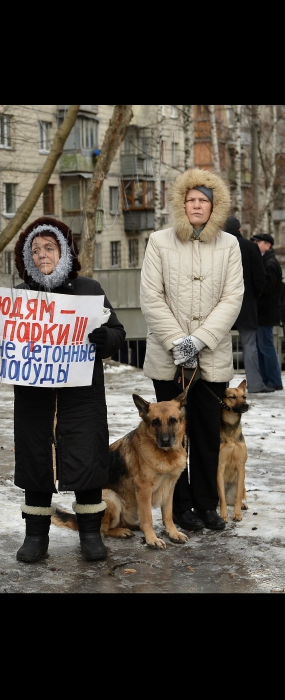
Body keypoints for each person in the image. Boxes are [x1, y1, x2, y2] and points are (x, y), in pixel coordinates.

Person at [0, 216, 126, 563]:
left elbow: (118, 333)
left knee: (86, 458)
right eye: (36, 249)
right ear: (28, 258)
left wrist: (105, 338)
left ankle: (90, 533)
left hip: (81, 397)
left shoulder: (89, 290)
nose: (43, 255)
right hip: (34, 399)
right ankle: (35, 536)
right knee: (36, 462)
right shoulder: (20, 297)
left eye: (50, 248)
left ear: (64, 252)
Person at [141, 168, 243, 533]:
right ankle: (179, 506)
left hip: (211, 357)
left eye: (203, 200)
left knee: (205, 432)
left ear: (214, 207)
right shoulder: (159, 241)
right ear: (181, 204)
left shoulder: (229, 245)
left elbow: (233, 298)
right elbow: (151, 297)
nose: (196, 205)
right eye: (191, 200)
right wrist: (177, 342)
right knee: (168, 435)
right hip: (168, 359)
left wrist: (198, 341)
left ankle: (206, 504)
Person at [223, 216, 269, 393]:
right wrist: (253, 297)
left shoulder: (219, 246)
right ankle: (255, 385)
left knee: (221, 347)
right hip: (246, 304)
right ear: (240, 230)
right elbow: (259, 277)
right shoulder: (250, 247)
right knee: (250, 346)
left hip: (223, 305)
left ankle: (222, 386)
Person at [252, 233, 283, 390]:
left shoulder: (269, 263)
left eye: (259, 242)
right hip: (263, 314)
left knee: (266, 347)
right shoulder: (266, 261)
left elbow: (266, 288)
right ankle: (267, 379)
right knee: (262, 347)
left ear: (268, 245)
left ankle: (274, 381)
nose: (256, 244)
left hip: (266, 313)